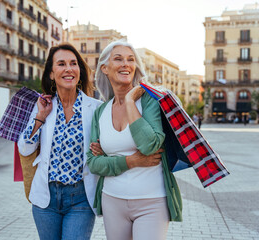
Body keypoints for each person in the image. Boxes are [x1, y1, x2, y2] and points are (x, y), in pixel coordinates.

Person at [87, 40, 182, 240]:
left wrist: (130, 101)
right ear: (104, 68)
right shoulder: (100, 112)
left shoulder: (149, 101)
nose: (126, 64)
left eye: (130, 59)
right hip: (112, 200)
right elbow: (93, 163)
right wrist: (132, 161)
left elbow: (149, 145)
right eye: (118, 59)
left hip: (152, 201)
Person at [18, 43, 102, 240]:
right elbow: (24, 148)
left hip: (80, 198)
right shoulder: (43, 106)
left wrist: (102, 149)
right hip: (46, 199)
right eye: (61, 64)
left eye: (73, 63)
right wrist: (40, 117)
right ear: (51, 73)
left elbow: (107, 146)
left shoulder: (96, 108)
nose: (68, 69)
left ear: (80, 71)